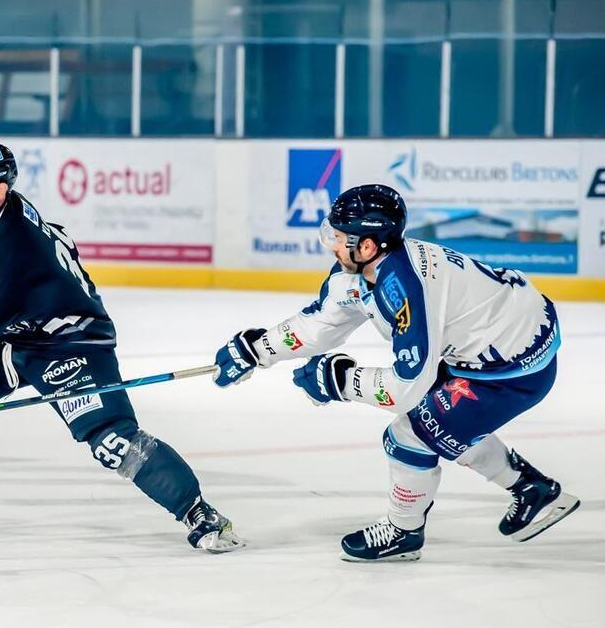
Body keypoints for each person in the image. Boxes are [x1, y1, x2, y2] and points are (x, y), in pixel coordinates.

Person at [0, 138, 243, 553]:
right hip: (19, 334)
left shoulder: (12, 247)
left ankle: (199, 512)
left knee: (111, 442)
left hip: (71, 343)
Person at [212, 183, 579, 562]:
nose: (331, 245)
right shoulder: (364, 270)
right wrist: (258, 350)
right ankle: (534, 490)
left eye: (338, 238)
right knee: (443, 423)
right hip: (495, 341)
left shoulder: (405, 286)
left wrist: (343, 380)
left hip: (514, 369)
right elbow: (322, 322)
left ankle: (403, 531)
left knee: (412, 434)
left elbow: (406, 388)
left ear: (367, 246)